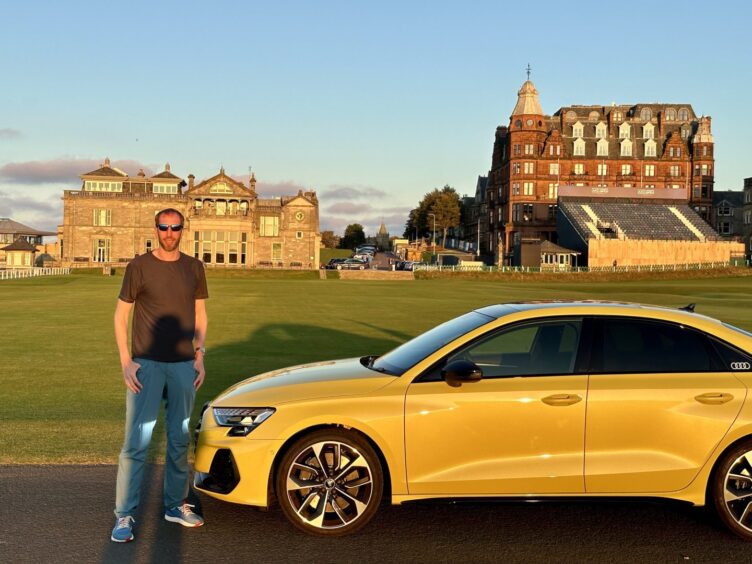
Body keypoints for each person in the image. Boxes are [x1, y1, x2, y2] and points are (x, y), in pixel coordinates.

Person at [110, 208, 209, 543]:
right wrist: (126, 360)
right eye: (164, 227)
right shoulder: (138, 266)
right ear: (156, 229)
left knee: (179, 441)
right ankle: (125, 514)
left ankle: (175, 504)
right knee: (136, 443)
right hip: (146, 366)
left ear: (183, 229)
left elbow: (200, 313)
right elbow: (121, 315)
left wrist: (200, 353)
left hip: (183, 365)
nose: (169, 232)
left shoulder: (194, 267)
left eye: (175, 227)